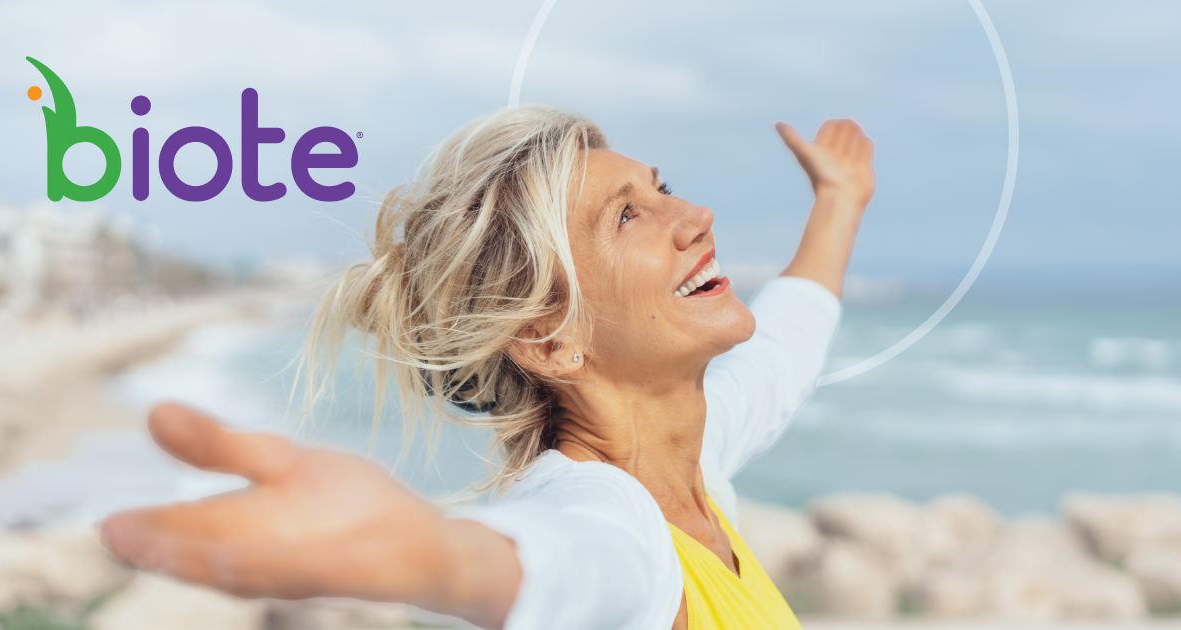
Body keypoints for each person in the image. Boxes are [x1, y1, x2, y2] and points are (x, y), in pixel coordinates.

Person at [100, 104, 875, 630]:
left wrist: (837, 202)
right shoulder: (619, 529)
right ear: (549, 339)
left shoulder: (692, 469)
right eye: (628, 215)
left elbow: (784, 347)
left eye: (660, 189)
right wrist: (427, 556)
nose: (695, 216)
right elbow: (548, 561)